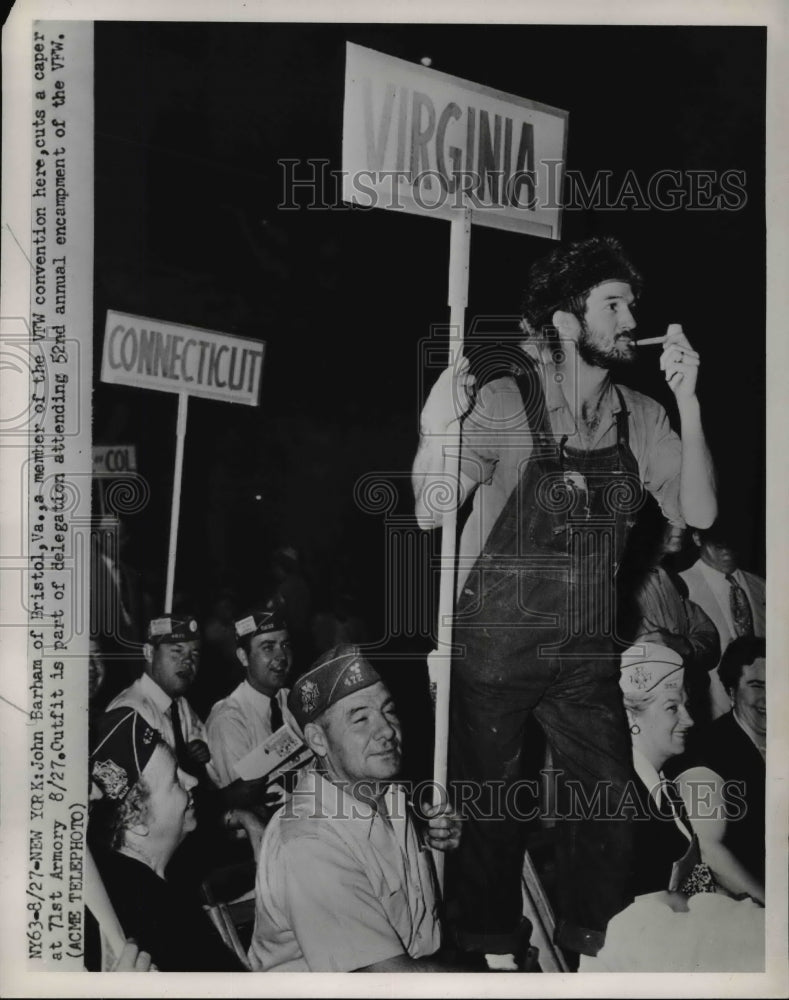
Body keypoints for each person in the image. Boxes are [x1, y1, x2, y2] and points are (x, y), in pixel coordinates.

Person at [412, 235, 717, 960]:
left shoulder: (638, 415)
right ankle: (488, 953)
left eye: (630, 304)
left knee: (611, 799)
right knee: (492, 814)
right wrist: (433, 426)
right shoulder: (504, 401)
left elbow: (699, 513)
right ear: (565, 322)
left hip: (582, 644)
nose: (629, 315)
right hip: (493, 644)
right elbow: (430, 508)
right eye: (612, 304)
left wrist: (689, 399)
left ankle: (594, 947)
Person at [247, 644, 463, 972]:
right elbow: (388, 981)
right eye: (361, 719)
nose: (388, 730)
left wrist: (443, 846)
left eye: (389, 711)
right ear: (318, 740)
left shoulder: (391, 795)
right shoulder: (308, 840)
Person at [578, 641, 764, 972]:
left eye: (685, 706)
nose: (689, 719)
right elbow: (628, 919)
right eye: (672, 708)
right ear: (628, 717)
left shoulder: (660, 785)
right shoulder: (616, 799)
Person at [87, 708, 245, 971]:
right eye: (175, 780)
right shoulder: (155, 912)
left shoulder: (135, 886)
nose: (192, 780)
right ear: (135, 817)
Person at [668, 636, 766, 893]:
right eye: (757, 686)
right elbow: (709, 850)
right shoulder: (706, 751)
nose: (770, 698)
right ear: (732, 691)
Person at [206, 600, 295, 816]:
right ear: (243, 657)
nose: (281, 656)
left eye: (285, 645)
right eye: (268, 647)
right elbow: (252, 807)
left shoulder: (293, 700)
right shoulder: (229, 719)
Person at [105, 613, 210, 777]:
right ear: (149, 653)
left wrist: (200, 746)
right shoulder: (131, 712)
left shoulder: (179, 704)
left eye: (195, 654)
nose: (188, 661)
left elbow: (201, 737)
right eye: (177, 651)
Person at [680, 521, 766, 718]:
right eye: (717, 536)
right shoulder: (679, 587)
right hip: (710, 718)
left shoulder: (762, 587)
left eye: (733, 534)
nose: (726, 543)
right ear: (697, 537)